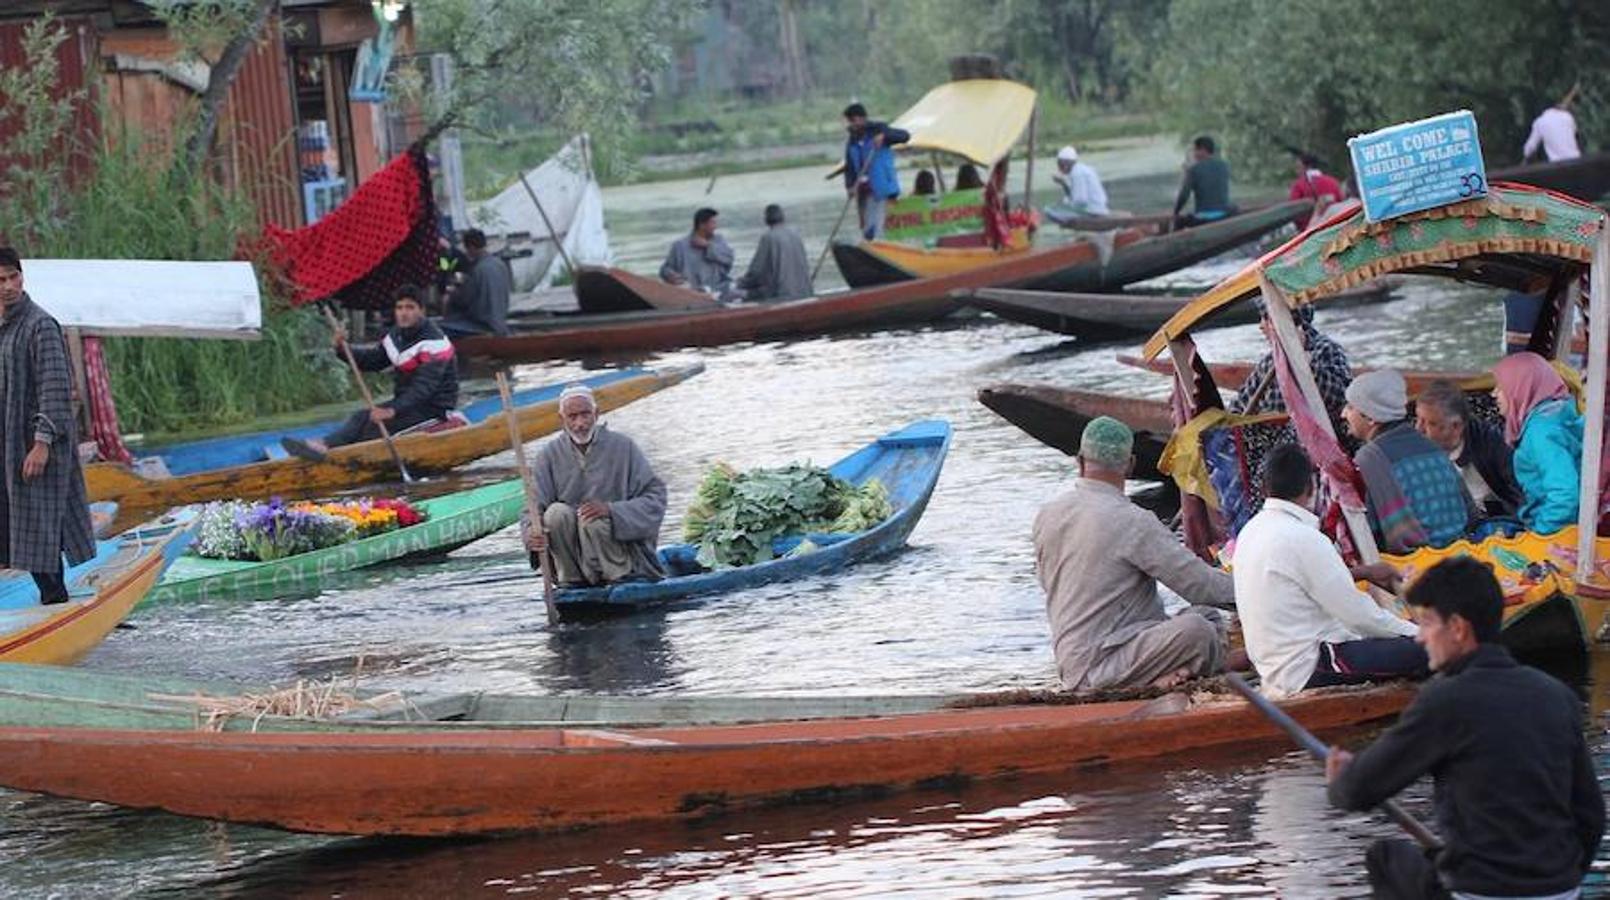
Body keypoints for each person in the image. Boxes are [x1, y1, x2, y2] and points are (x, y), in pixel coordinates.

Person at [1327, 556, 1604, 900]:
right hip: (1560, 891)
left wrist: (1342, 778)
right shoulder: (1556, 695)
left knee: (1386, 858)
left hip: (1482, 892)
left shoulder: (1444, 700)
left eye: (1427, 623)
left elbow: (1357, 792)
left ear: (1457, 628)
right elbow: (1591, 818)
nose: (1420, 638)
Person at [1033, 416, 1235, 693]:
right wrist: (1260, 590)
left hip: (1073, 662)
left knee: (1205, 615)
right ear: (1130, 466)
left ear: (1079, 461)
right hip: (1101, 668)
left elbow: (1047, 583)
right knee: (1198, 629)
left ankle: (1171, 673)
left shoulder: (1047, 515)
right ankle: (1161, 680)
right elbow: (1201, 586)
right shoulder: (1133, 521)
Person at [1232, 445, 1425, 699]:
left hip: (1275, 667)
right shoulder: (1303, 537)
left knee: (1408, 639)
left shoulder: (1250, 532)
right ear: (1311, 488)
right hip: (1308, 668)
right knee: (1433, 648)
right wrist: (1420, 633)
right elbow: (1359, 617)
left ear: (1265, 489)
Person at [0, 248, 95, 605]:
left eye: (14, 277)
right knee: (18, 528)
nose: (9, 286)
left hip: (38, 447)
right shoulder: (4, 326)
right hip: (8, 445)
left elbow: (55, 389)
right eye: (1, 280)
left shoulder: (40, 324)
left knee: (40, 529)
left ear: (22, 277)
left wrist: (41, 443)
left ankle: (55, 603)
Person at [282, 285, 459, 460]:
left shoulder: (435, 343)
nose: (404, 313)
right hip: (407, 404)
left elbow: (423, 388)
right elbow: (373, 361)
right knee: (361, 417)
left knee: (372, 429)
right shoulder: (395, 336)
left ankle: (340, 455)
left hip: (433, 408)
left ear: (422, 311)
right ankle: (323, 445)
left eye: (410, 308)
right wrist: (343, 349)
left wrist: (393, 410)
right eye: (399, 308)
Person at [522, 383, 667, 586]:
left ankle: (618, 576)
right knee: (555, 513)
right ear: (561, 419)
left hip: (620, 554)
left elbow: (656, 498)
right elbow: (533, 508)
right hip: (572, 557)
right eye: (572, 417)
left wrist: (612, 511)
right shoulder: (548, 456)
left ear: (596, 414)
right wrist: (531, 533)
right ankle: (571, 580)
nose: (580, 424)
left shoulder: (624, 447)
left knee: (594, 520)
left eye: (585, 414)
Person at [1343, 370, 1475, 552]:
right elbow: (1470, 512)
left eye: (1350, 407)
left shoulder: (1368, 459)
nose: (1343, 414)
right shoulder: (1432, 446)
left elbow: (1367, 532)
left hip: (1416, 565)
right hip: (1461, 551)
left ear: (1370, 417)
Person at [1227, 304, 1353, 439]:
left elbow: (1340, 397)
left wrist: (1300, 361)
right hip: (1275, 445)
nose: (1261, 326)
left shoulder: (1326, 349)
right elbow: (1240, 405)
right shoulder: (1270, 361)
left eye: (1266, 318)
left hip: (1318, 442)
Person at [1492, 351, 1583, 534]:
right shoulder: (1558, 414)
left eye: (1501, 387)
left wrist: (1541, 534)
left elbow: (1564, 494)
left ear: (1520, 388)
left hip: (1554, 537)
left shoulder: (1540, 432)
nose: (1494, 394)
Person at [1414, 379, 1522, 519]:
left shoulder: (1491, 443)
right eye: (1418, 419)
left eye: (1430, 423)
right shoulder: (1417, 453)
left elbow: (1520, 492)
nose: (1418, 428)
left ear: (1456, 426)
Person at [841, 103, 911, 240]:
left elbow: (904, 136)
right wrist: (849, 186)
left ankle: (880, 246)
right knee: (868, 229)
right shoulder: (852, 141)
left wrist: (884, 136)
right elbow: (849, 168)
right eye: (850, 121)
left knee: (879, 227)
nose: (852, 124)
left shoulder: (877, 129)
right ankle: (870, 246)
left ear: (862, 118)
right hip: (864, 191)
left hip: (882, 187)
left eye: (853, 120)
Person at [440, 228, 512, 338]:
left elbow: (465, 300)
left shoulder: (477, 270)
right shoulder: (500, 264)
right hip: (500, 321)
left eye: (466, 249)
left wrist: (452, 293)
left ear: (471, 248)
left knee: (441, 328)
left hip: (481, 325)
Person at [736, 204, 812, 302]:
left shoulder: (768, 237)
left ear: (766, 219)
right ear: (783, 218)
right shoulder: (796, 235)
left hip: (782, 295)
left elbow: (756, 272)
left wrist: (739, 284)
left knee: (741, 295)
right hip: (805, 292)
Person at [659, 207, 736, 298]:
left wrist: (708, 246)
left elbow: (729, 259)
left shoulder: (719, 241)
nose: (716, 227)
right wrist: (671, 275)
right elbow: (665, 269)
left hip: (718, 289)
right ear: (702, 225)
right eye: (712, 223)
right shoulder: (680, 246)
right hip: (691, 292)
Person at [1172, 135, 1237, 229]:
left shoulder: (1194, 170)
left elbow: (1184, 195)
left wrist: (1176, 212)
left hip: (1202, 220)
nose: (1194, 154)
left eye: (1195, 150)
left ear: (1202, 150)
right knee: (1234, 208)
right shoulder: (1224, 166)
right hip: (1224, 215)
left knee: (1180, 221)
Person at [1523, 88, 1581, 163]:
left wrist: (1526, 158)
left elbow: (1529, 149)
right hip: (1577, 160)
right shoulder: (1568, 116)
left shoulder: (1540, 122)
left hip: (1559, 165)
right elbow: (1575, 136)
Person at [1287, 152, 1343, 230]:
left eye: (1298, 167)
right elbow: (1341, 202)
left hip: (1310, 230)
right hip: (1335, 227)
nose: (1297, 170)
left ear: (1305, 167)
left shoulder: (1299, 186)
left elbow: (1294, 211)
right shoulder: (1333, 182)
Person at [1049, 145, 1110, 217]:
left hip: (1094, 209)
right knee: (1055, 208)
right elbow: (1073, 196)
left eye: (1060, 164)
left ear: (1067, 163)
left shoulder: (1077, 174)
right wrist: (1063, 184)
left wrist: (1065, 205)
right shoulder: (1078, 169)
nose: (1059, 168)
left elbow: (1080, 200)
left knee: (1052, 210)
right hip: (1094, 207)